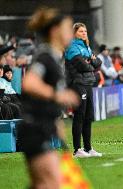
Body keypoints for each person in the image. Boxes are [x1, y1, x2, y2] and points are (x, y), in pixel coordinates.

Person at [17, 7, 79, 189]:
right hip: (34, 128)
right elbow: (29, 83)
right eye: (68, 29)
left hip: (43, 127)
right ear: (54, 31)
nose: (71, 34)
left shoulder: (55, 57)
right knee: (50, 183)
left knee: (42, 184)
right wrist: (58, 95)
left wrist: (57, 125)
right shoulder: (45, 56)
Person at [65, 22, 102, 158]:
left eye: (85, 31)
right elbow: (82, 66)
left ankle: (88, 148)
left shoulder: (86, 47)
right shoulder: (72, 47)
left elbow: (98, 62)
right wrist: (90, 63)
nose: (84, 33)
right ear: (74, 33)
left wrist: (90, 62)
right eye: (81, 31)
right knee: (79, 115)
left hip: (88, 82)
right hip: (77, 83)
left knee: (88, 116)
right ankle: (77, 149)